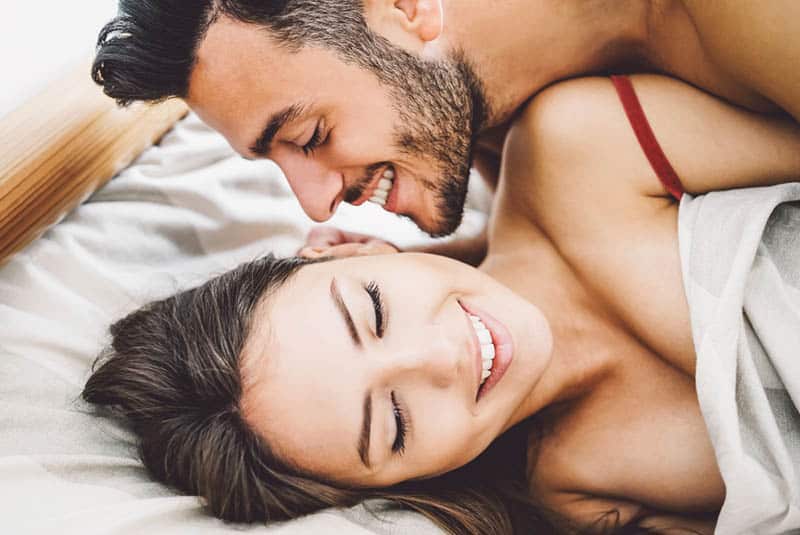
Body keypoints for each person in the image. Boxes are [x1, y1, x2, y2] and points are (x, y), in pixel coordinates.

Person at [82, 73, 800, 534]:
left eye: (373, 311)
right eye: (394, 423)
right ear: (402, 481)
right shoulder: (578, 490)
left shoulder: (579, 152)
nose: (441, 356)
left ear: (346, 246)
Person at [92, 0, 800, 262]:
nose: (313, 204)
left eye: (308, 136)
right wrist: (430, 265)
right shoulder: (477, 113)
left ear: (406, 8)